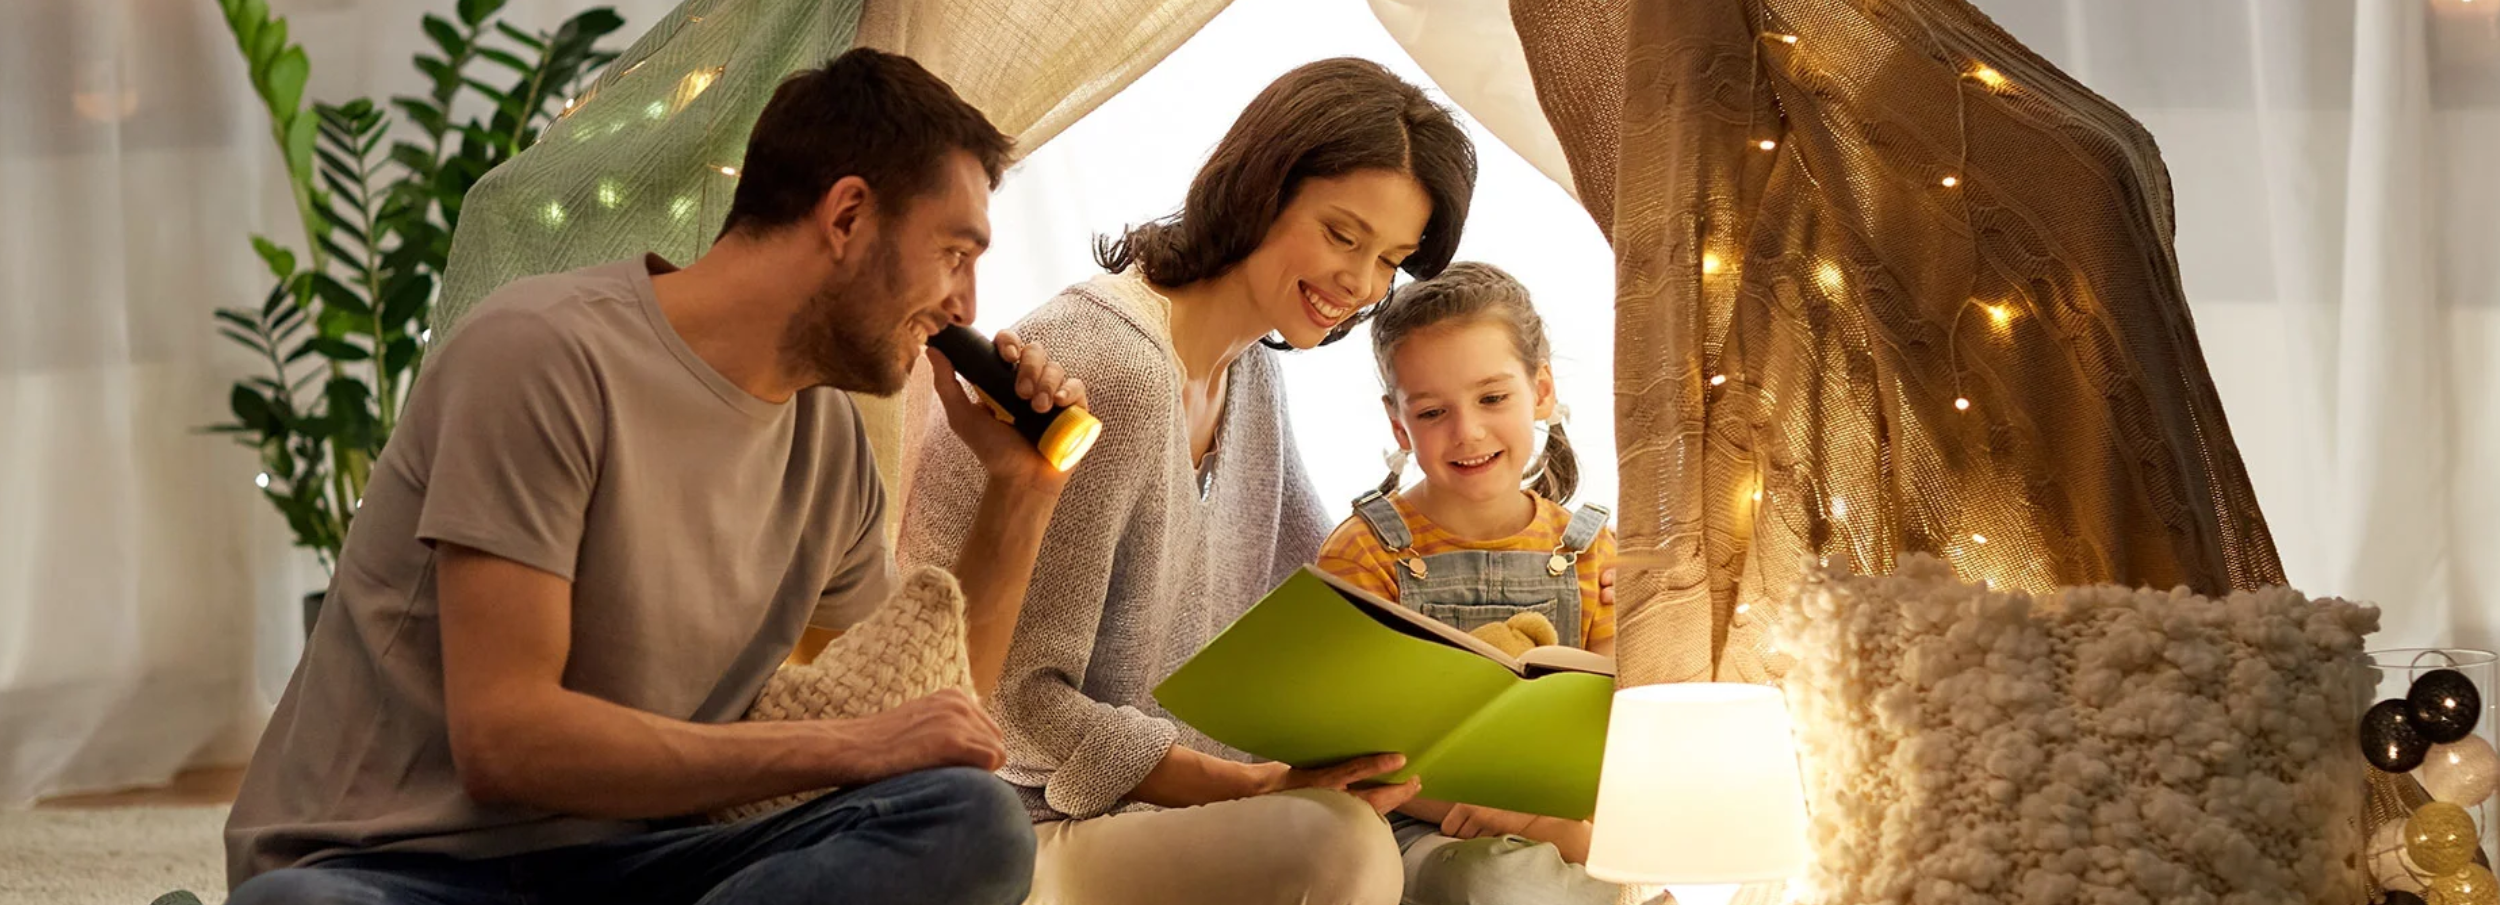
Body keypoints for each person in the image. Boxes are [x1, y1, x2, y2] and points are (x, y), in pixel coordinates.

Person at [224, 48, 1079, 905]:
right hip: (401, 866)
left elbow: (931, 717)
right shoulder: (544, 356)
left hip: (641, 864)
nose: (967, 305)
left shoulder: (831, 446)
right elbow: (507, 741)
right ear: (848, 216)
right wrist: (852, 742)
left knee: (970, 820)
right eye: (954, 253)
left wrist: (1021, 491)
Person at [899, 58, 1477, 905]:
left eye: (1390, 258)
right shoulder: (1113, 366)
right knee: (1340, 846)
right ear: (1260, 189)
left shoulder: (1250, 372)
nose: (1361, 285)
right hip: (1019, 816)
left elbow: (1323, 592)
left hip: (1171, 806)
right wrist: (1249, 788)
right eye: (1343, 235)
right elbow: (1016, 705)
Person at [1313, 262, 1622, 905]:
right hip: (1413, 829)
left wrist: (1546, 825)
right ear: (1399, 425)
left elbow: (1611, 729)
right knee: (1492, 882)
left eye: (1492, 398)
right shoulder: (1364, 551)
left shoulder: (1591, 549)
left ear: (1540, 389)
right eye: (1432, 412)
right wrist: (1503, 813)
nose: (1468, 432)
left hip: (1562, 825)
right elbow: (1353, 749)